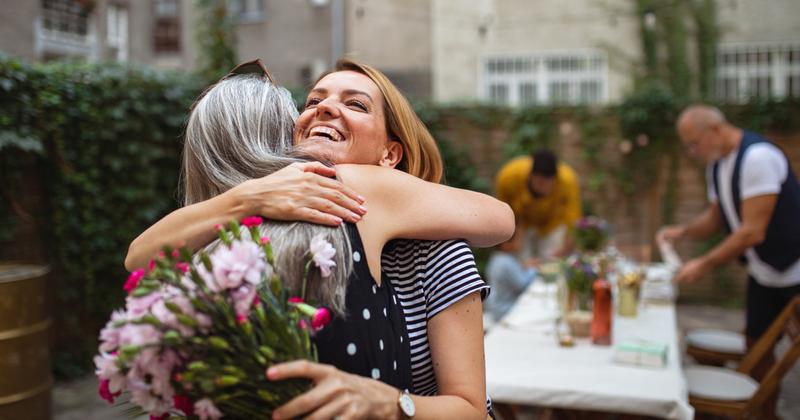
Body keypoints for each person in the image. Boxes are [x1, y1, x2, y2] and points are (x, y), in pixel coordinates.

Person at [127, 58, 513, 419]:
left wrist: (392, 403)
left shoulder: (433, 243)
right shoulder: (281, 211)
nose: (324, 108)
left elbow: (471, 408)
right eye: (313, 101)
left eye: (356, 105)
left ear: (390, 156)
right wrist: (249, 196)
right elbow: (139, 259)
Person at [658, 104, 800, 379]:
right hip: (764, 274)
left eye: (694, 144)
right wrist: (683, 232)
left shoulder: (757, 157)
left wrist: (704, 263)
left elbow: (752, 231)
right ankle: (762, 412)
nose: (692, 153)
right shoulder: (718, 165)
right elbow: (716, 218)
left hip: (794, 268)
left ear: (714, 129)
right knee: (756, 348)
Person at [494, 149, 582, 260]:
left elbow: (573, 219)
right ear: (531, 176)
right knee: (520, 260)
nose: (545, 188)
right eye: (540, 183)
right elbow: (502, 210)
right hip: (522, 223)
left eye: (550, 183)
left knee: (552, 261)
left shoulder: (568, 180)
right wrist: (507, 240)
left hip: (552, 222)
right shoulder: (509, 176)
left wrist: (566, 247)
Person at [484, 229, 537, 322]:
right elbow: (522, 285)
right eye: (519, 239)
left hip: (495, 307)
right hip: (505, 309)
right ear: (506, 244)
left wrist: (525, 268)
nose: (521, 242)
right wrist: (532, 269)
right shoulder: (507, 262)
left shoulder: (497, 257)